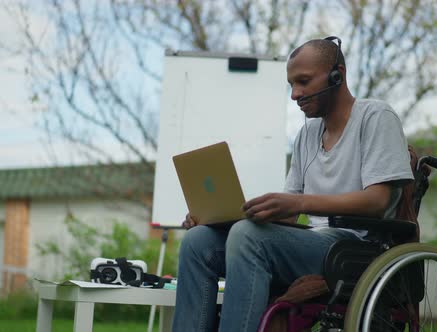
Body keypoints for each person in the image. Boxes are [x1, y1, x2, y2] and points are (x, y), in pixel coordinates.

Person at [172, 37, 414, 332]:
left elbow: (378, 200)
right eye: (291, 85)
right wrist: (219, 218)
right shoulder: (307, 135)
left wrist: (299, 203)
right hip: (311, 244)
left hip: (355, 249)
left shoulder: (376, 116)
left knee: (248, 237)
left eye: (303, 81)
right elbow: (286, 215)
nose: (295, 94)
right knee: (198, 242)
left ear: (338, 74)